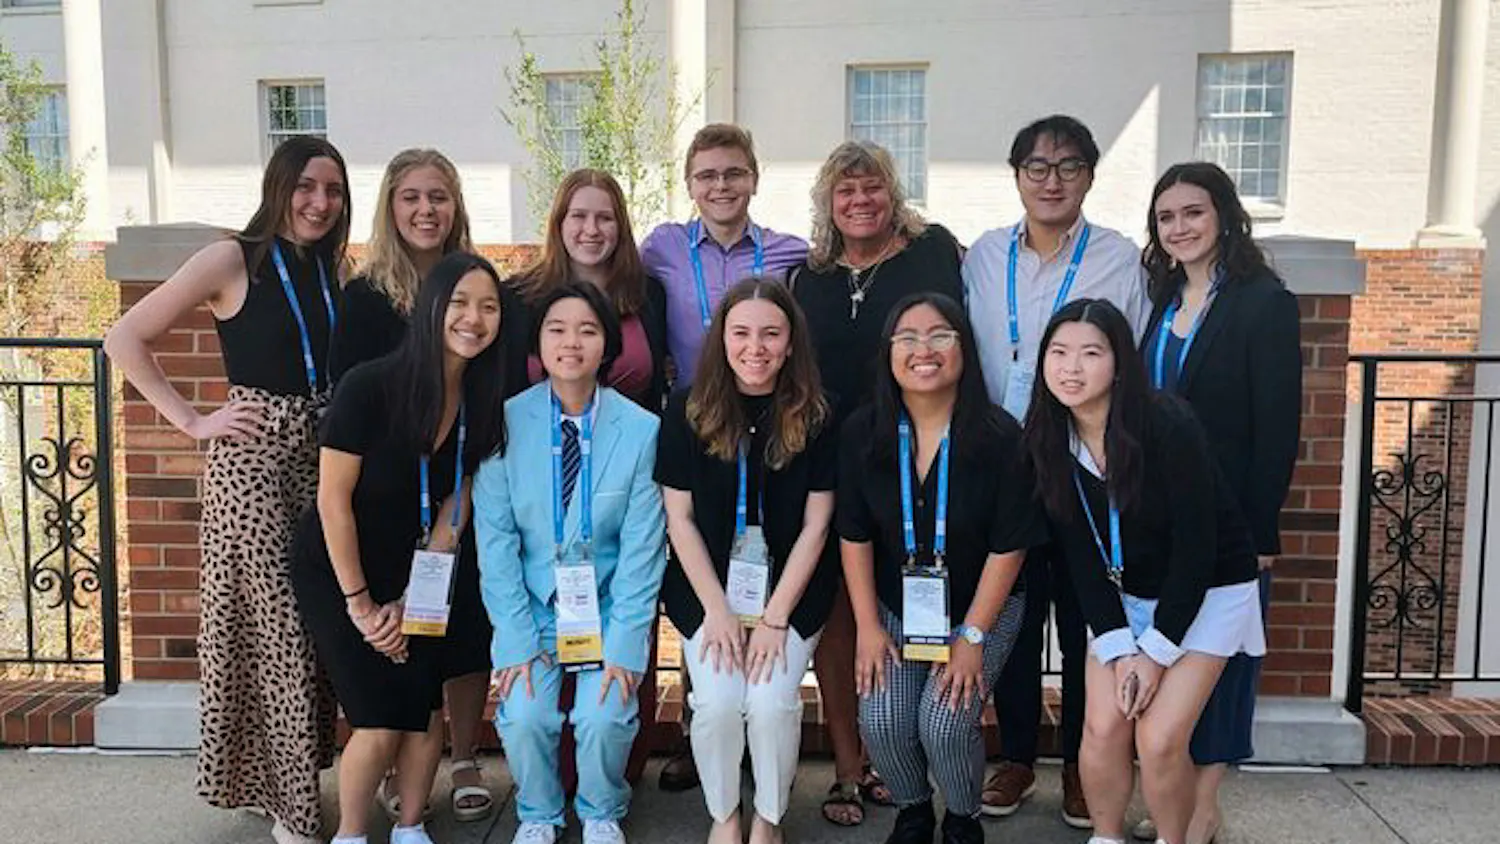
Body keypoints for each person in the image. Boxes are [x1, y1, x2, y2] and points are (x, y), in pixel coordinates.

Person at [103, 135, 349, 844]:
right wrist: (192, 420)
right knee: (275, 635)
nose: (319, 202)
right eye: (306, 186)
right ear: (279, 186)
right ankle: (292, 809)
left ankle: (291, 781)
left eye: (332, 190)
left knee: (316, 627)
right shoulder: (229, 258)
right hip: (252, 471)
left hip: (318, 463)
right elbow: (126, 338)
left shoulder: (330, 267)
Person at [960, 114, 1150, 827]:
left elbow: (1130, 365)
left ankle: (1078, 763)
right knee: (1010, 609)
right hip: (1000, 463)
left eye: (1067, 166)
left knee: (1081, 616)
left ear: (1090, 178)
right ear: (1016, 176)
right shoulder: (980, 255)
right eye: (1036, 167)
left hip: (1081, 462)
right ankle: (1014, 757)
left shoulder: (1118, 258)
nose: (1051, 180)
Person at [1022, 298, 1265, 844]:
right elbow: (1079, 553)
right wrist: (1117, 643)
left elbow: (1197, 550)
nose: (1071, 368)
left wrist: (1155, 652)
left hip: (1206, 591)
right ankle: (1105, 837)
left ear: (1119, 362)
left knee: (1157, 738)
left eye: (1090, 353)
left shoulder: (1166, 425)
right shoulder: (1047, 437)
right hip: (1122, 593)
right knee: (1103, 725)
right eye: (1058, 352)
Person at [292, 252, 510, 844]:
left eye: (488, 307)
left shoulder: (485, 399)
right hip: (341, 566)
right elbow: (333, 503)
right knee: (380, 715)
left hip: (420, 569)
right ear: (430, 308)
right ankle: (354, 833)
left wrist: (419, 594)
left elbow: (456, 501)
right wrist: (362, 605)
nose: (474, 318)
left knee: (421, 702)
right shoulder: (370, 387)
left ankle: (411, 827)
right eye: (460, 303)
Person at [793, 139, 966, 826]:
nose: (860, 200)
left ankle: (907, 764)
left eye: (872, 187)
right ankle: (845, 768)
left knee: (912, 601)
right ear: (827, 204)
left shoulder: (934, 252)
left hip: (923, 458)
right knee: (843, 614)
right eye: (845, 190)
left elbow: (961, 341)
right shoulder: (809, 278)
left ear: (893, 193)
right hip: (833, 462)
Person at [1128, 162, 1301, 844]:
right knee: (1176, 666)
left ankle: (1201, 810)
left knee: (1224, 671)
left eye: (1193, 212)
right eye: (1167, 217)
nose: (1180, 227)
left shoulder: (1263, 302)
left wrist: (1262, 528)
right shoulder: (1162, 302)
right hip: (1165, 522)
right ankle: (1181, 799)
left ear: (1225, 215)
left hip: (1233, 526)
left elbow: (1278, 426)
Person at [838, 291, 1044, 844]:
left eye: (939, 336)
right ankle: (911, 809)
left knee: (946, 722)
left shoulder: (1001, 438)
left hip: (981, 606)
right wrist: (867, 627)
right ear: (887, 352)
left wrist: (973, 635)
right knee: (880, 721)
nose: (922, 350)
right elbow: (853, 534)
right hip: (893, 606)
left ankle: (960, 815)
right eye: (907, 338)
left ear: (964, 350)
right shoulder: (863, 433)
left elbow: (1010, 546)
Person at [641, 124, 808, 791]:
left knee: (758, 546)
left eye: (733, 173)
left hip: (770, 420)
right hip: (699, 423)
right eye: (706, 175)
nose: (720, 186)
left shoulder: (791, 251)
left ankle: (757, 771)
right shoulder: (661, 247)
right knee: (701, 563)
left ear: (754, 178)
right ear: (689, 184)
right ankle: (695, 739)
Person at [475, 281, 667, 844]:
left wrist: (628, 643)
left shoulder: (640, 429)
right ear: (538, 342)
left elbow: (642, 549)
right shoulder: (505, 421)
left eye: (587, 330)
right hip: (532, 605)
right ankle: (538, 814)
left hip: (606, 606)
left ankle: (601, 808)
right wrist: (512, 634)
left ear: (607, 344)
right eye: (557, 329)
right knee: (528, 714)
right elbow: (496, 541)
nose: (571, 342)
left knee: (603, 716)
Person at [656, 278, 838, 844]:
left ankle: (770, 816)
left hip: (792, 593)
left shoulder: (818, 415)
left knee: (770, 702)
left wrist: (777, 618)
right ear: (721, 338)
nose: (755, 347)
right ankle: (724, 814)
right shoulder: (687, 410)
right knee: (714, 701)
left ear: (790, 342)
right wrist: (717, 610)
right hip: (705, 593)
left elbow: (817, 524)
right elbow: (678, 519)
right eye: (741, 332)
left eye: (770, 334)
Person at [512, 169, 669, 412]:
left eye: (605, 218)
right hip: (540, 443)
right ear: (559, 223)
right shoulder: (517, 297)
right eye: (578, 216)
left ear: (620, 227)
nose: (592, 229)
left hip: (632, 444)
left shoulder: (649, 294)